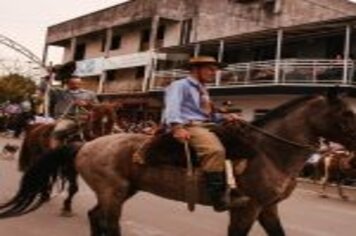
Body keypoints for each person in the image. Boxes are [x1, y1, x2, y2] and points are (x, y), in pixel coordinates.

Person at [161, 56, 249, 211]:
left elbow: (207, 115)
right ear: (195, 69)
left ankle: (234, 185)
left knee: (242, 139)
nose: (213, 73)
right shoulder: (179, 85)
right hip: (188, 125)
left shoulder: (203, 89)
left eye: (215, 70)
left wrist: (226, 117)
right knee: (214, 150)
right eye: (210, 69)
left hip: (206, 124)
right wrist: (177, 127)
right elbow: (172, 107)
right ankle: (217, 198)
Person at [48, 76, 99, 148]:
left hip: (86, 118)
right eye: (73, 83)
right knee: (58, 131)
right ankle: (54, 151)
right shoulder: (59, 93)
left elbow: (97, 106)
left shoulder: (90, 93)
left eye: (78, 83)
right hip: (67, 119)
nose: (76, 85)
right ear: (68, 84)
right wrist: (49, 77)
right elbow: (46, 89)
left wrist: (87, 104)